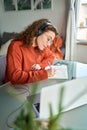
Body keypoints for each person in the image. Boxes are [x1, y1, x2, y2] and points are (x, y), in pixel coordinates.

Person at [5, 18, 58, 85]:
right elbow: (15, 76)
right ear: (38, 32)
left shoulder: (41, 47)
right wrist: (44, 74)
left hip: (31, 84)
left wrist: (40, 65)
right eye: (48, 39)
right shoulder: (16, 46)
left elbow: (51, 56)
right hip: (14, 89)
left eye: (50, 41)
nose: (48, 44)